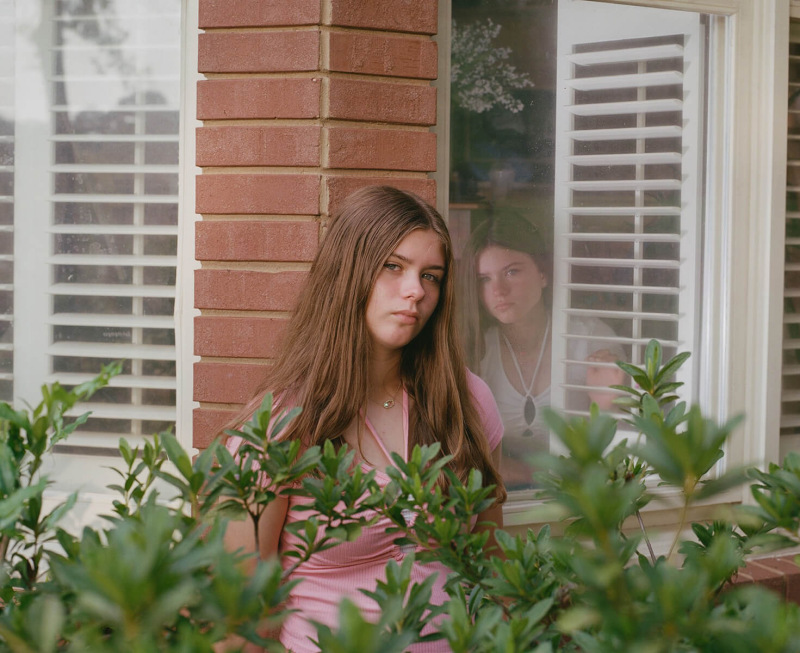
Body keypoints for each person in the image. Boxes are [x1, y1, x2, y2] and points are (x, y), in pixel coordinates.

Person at [223, 186, 506, 653]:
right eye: (393, 267)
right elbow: (239, 619)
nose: (416, 291)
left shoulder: (468, 402)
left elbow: (494, 570)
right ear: (348, 272)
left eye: (431, 276)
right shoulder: (283, 427)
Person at [458, 210, 624, 490]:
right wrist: (529, 474)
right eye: (484, 279)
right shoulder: (476, 350)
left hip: (580, 494)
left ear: (543, 273)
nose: (498, 290)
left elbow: (626, 448)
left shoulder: (589, 340)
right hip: (502, 496)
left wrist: (607, 406)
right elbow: (461, 451)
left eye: (512, 272)